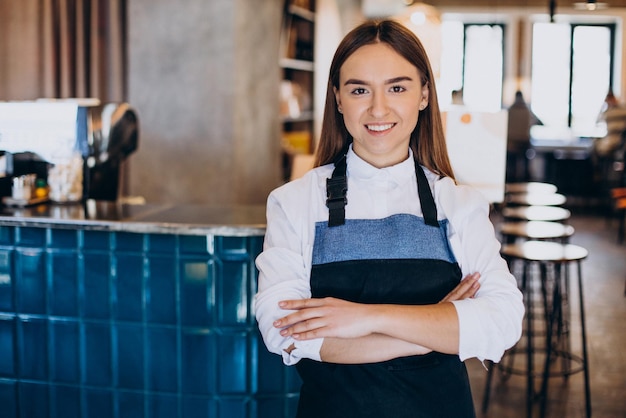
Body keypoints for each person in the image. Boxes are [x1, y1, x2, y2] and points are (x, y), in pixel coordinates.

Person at [255, 19, 524, 418]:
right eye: (359, 89)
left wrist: (363, 317)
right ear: (338, 99)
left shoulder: (459, 204)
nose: (378, 109)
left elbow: (501, 322)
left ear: (424, 95)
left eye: (397, 88)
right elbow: (284, 329)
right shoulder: (294, 202)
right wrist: (435, 330)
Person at [506, 90, 542, 182]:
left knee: (511, 164)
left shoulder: (510, 110)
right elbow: (538, 122)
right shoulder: (527, 110)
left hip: (511, 143)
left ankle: (511, 181)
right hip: (524, 142)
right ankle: (525, 180)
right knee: (525, 163)